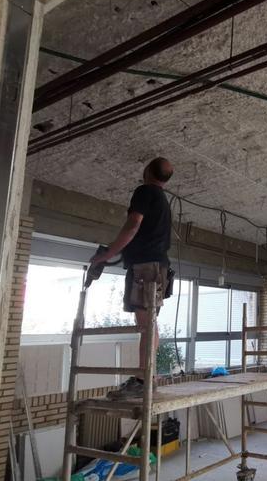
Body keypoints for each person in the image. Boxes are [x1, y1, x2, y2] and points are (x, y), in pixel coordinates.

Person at [90, 157, 174, 398]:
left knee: (146, 325)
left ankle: (143, 380)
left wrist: (108, 253)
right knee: (150, 323)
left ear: (147, 170)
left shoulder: (145, 191)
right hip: (158, 267)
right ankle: (146, 377)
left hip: (146, 267)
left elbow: (133, 225)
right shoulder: (162, 200)